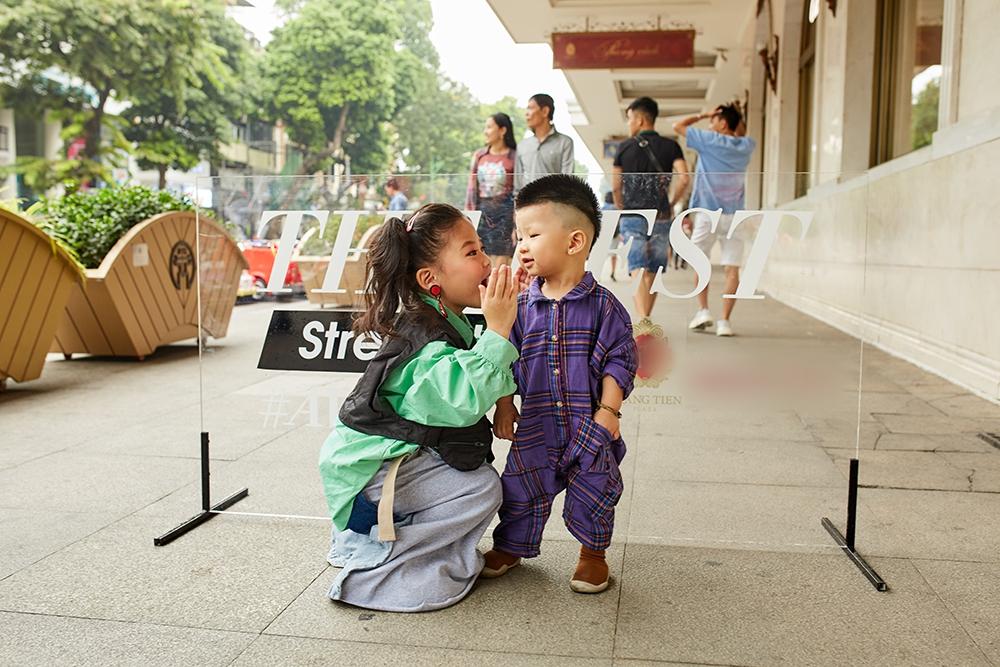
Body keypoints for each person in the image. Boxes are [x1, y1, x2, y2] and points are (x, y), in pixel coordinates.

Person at [318, 203, 519, 612]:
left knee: (475, 477)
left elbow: (477, 370)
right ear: (431, 280)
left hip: (383, 463)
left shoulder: (441, 317)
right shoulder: (424, 338)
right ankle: (378, 563)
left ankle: (376, 538)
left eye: (482, 249)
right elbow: (459, 400)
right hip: (365, 481)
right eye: (471, 253)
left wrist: (503, 403)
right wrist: (499, 329)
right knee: (480, 488)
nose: (485, 261)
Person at [483, 174, 638, 594]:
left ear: (574, 242)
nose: (521, 246)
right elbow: (502, 358)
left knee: (596, 488)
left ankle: (592, 555)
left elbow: (620, 360)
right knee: (519, 487)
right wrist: (504, 405)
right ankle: (512, 546)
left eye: (532, 234)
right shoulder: (519, 306)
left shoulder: (605, 306)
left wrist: (608, 412)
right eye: (519, 236)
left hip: (588, 425)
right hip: (535, 424)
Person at [672, 103, 756, 337]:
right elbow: (742, 131)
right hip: (734, 215)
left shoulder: (708, 140)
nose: (710, 123)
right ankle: (725, 322)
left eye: (714, 120)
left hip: (708, 213)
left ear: (722, 123)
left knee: (701, 263)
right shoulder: (747, 146)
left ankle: (703, 310)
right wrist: (734, 116)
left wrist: (704, 113)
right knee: (732, 270)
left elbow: (677, 126)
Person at [612, 96, 689, 325]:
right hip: (661, 215)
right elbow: (684, 178)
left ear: (640, 118)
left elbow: (616, 184)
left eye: (630, 119)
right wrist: (672, 201)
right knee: (653, 270)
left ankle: (642, 320)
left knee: (637, 267)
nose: (629, 124)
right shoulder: (671, 145)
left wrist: (620, 204)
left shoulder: (624, 147)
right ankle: (646, 320)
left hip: (633, 214)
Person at [466, 112, 517, 266]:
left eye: (489, 127)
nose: (485, 131)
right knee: (480, 259)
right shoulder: (480, 156)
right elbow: (471, 188)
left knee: (501, 264)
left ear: (502, 130)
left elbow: (517, 190)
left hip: (505, 216)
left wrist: (517, 224)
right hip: (482, 214)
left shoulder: (514, 156)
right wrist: (468, 217)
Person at [514, 93, 574, 192]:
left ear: (545, 111)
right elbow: (517, 185)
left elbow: (567, 180)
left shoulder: (565, 142)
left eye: (530, 108)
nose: (526, 113)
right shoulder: (522, 146)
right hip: (528, 203)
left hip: (554, 203)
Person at [600, 190, 622, 281]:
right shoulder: (617, 208)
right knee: (613, 254)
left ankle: (598, 274)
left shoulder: (602, 209)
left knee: (601, 255)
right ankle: (612, 273)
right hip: (615, 234)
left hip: (604, 234)